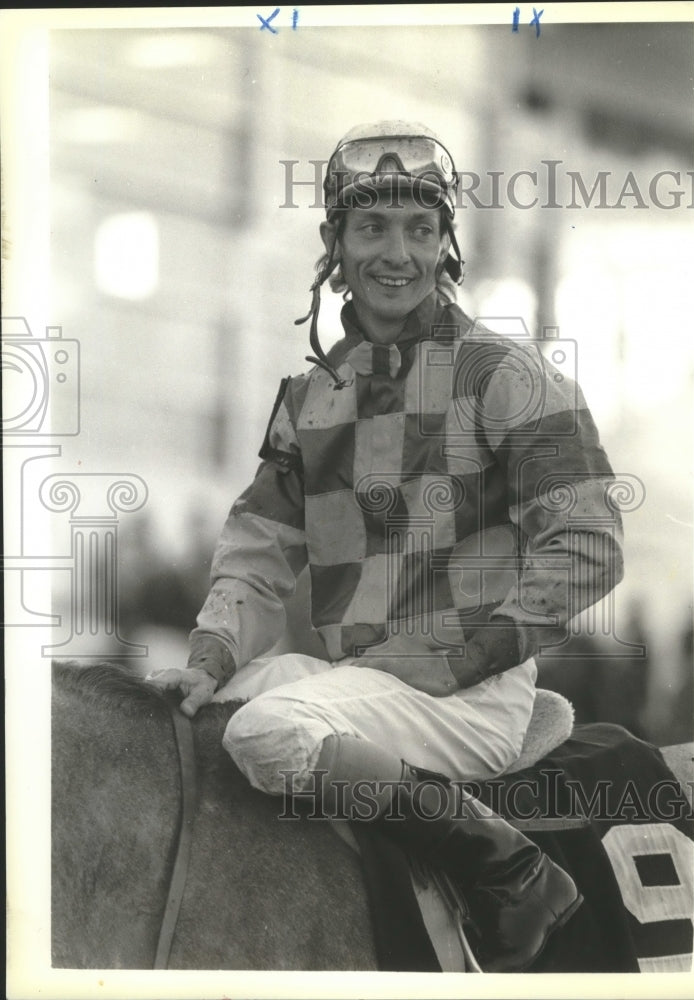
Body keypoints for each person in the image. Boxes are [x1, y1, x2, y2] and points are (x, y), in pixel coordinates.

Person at [147, 121, 624, 972]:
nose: (395, 253)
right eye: (372, 229)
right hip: (365, 686)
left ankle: (512, 868)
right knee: (221, 715)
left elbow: (589, 540)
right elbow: (260, 546)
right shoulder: (308, 396)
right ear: (335, 243)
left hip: (466, 695)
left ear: (446, 245)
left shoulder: (505, 374)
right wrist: (211, 652)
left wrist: (463, 658)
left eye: (419, 229)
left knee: (263, 735)